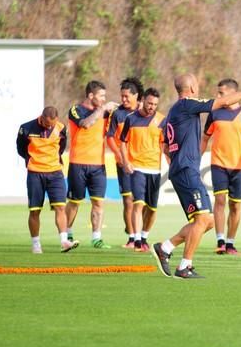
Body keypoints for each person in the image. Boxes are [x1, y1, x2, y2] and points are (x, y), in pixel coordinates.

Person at [151, 73, 241, 279]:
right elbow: (222, 102)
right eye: (197, 84)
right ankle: (184, 266)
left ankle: (166, 247)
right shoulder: (187, 104)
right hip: (186, 171)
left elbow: (165, 143)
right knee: (204, 218)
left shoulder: (175, 110)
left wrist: (176, 159)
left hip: (184, 169)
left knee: (208, 221)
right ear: (192, 88)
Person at [200, 78, 241, 255]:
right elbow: (205, 138)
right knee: (220, 201)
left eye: (221, 93)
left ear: (233, 94)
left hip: (238, 167)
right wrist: (196, 158)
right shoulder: (215, 113)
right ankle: (220, 241)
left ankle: (230, 243)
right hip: (218, 164)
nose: (218, 96)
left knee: (235, 205)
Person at [16, 107, 79, 254]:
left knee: (60, 207)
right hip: (35, 173)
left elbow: (61, 148)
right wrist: (33, 160)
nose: (50, 126)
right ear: (42, 118)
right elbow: (21, 149)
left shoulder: (61, 128)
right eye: (47, 124)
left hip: (55, 173)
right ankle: (36, 244)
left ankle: (64, 241)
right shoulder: (26, 128)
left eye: (53, 124)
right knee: (35, 211)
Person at [65, 80, 118, 249]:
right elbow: (85, 124)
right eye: (101, 96)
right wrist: (102, 109)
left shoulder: (105, 112)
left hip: (98, 165)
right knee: (74, 202)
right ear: (90, 95)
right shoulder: (76, 110)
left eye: (104, 97)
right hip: (77, 163)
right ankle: (67, 234)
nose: (103, 99)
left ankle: (96, 238)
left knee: (99, 203)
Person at [119, 88, 166, 252]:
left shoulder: (162, 120)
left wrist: (171, 164)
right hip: (137, 167)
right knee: (138, 203)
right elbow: (123, 142)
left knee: (152, 209)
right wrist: (126, 161)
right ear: (143, 100)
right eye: (149, 103)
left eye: (155, 104)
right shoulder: (130, 119)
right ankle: (137, 240)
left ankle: (144, 236)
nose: (152, 106)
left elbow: (165, 145)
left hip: (155, 169)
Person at [106, 77, 144, 248]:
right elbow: (110, 138)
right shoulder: (117, 114)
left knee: (142, 202)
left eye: (127, 96)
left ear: (136, 96)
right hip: (123, 163)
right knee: (128, 200)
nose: (123, 100)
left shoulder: (144, 113)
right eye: (122, 96)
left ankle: (141, 236)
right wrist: (119, 156)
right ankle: (131, 236)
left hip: (143, 163)